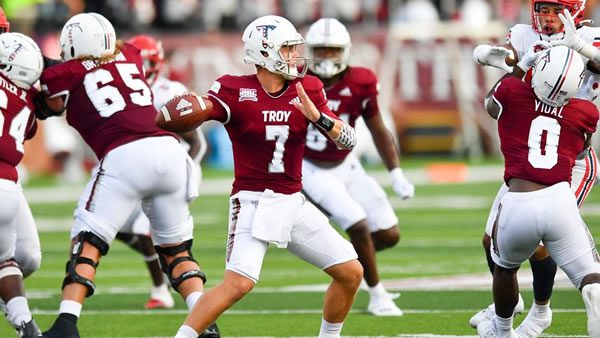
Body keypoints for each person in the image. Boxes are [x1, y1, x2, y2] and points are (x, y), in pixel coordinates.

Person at [173, 15, 364, 338]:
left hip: (293, 201)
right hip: (253, 202)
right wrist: (186, 112)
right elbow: (202, 111)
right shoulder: (233, 89)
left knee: (350, 272)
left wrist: (318, 118)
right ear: (266, 52)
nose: (295, 56)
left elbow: (348, 140)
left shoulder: (309, 89)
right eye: (288, 49)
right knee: (238, 283)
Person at [35, 12, 215, 338]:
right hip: (170, 152)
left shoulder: (66, 72)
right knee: (176, 251)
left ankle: (66, 324)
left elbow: (48, 104)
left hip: (125, 155)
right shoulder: (131, 54)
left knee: (87, 241)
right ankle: (204, 323)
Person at [471, 1, 600, 334]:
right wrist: (504, 58)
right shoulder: (525, 35)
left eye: (554, 9)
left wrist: (581, 47)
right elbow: (513, 64)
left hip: (571, 160)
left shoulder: (590, 36)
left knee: (541, 241)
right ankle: (512, 302)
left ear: (574, 11)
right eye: (541, 8)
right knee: (491, 242)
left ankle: (541, 310)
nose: (545, 16)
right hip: (534, 148)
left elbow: (499, 98)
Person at [302, 17, 413, 317]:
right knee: (359, 226)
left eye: (332, 50)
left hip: (346, 164)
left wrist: (396, 172)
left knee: (389, 234)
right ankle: (378, 295)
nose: (326, 57)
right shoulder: (297, 83)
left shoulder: (361, 80)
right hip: (310, 166)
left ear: (346, 51)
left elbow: (377, 128)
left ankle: (347, 262)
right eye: (320, 51)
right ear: (309, 51)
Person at [109, 34, 208, 310]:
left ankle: (162, 290)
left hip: (170, 172)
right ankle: (171, 280)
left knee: (147, 230)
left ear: (158, 62)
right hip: (136, 171)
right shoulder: (120, 90)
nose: (141, 66)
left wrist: (189, 171)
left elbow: (197, 141)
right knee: (112, 225)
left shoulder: (168, 90)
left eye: (146, 61)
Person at [0, 32, 44, 338]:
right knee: (7, 261)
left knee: (22, 257)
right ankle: (26, 325)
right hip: (8, 186)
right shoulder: (26, 100)